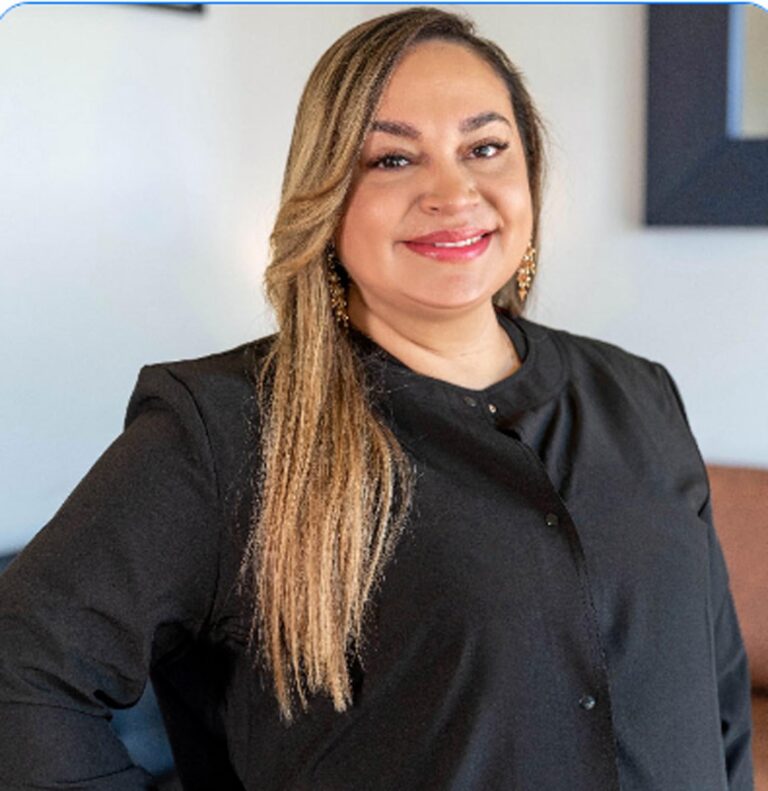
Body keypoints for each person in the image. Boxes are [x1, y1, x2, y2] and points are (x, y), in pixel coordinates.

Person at [0, 7, 754, 790]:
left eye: (485, 148)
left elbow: (718, 698)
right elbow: (21, 673)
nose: (453, 191)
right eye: (393, 159)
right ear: (324, 197)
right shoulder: (225, 429)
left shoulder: (641, 393)